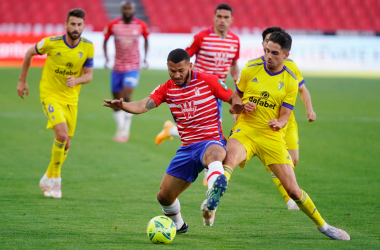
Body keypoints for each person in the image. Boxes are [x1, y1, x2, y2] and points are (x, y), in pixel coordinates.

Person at [103, 49, 253, 231]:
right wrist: (123, 105)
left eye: (181, 70)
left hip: (210, 140)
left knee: (216, 154)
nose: (176, 75)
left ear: (190, 65)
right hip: (188, 148)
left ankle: (212, 197)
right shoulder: (166, 88)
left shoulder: (208, 80)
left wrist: (237, 105)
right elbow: (143, 105)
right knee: (164, 196)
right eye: (172, 71)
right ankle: (179, 225)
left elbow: (232, 97)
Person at [223, 31, 349, 240]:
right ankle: (214, 198)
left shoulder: (290, 80)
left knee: (293, 189)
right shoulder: (251, 68)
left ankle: (324, 226)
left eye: (273, 53)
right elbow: (236, 97)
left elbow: (285, 116)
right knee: (229, 159)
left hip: (271, 136)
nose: (268, 56)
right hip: (246, 129)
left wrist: (278, 123)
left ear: (285, 55)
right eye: (266, 51)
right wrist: (240, 106)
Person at [155, 3, 240, 186]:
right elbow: (186, 56)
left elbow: (233, 63)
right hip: (201, 89)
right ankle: (211, 172)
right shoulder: (202, 37)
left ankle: (170, 130)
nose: (222, 20)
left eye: (226, 17)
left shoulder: (235, 41)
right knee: (211, 132)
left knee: (205, 129)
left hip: (219, 90)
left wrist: (236, 78)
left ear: (232, 20)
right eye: (219, 17)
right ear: (214, 18)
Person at [16, 9, 94, 199]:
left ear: (83, 26)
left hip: (71, 99)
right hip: (50, 94)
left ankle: (47, 177)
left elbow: (89, 75)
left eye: (79, 25)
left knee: (66, 144)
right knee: (61, 134)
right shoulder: (51, 43)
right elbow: (29, 53)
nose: (76, 28)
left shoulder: (88, 47)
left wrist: (76, 81)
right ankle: (56, 179)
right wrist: (22, 81)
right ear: (66, 25)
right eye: (72, 24)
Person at [239, 26, 317, 210]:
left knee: (293, 160)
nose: (269, 52)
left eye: (273, 48)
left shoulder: (290, 67)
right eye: (266, 45)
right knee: (269, 160)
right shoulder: (253, 66)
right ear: (263, 44)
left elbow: (302, 89)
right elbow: (241, 94)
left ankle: (290, 192)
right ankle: (289, 198)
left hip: (286, 121)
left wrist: (309, 109)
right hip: (260, 122)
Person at [103, 0, 149, 142]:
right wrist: (106, 59)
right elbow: (105, 40)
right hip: (117, 67)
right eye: (125, 9)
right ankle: (121, 126)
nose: (128, 11)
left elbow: (147, 40)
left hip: (133, 66)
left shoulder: (141, 25)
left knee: (127, 94)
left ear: (133, 10)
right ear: (122, 10)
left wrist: (145, 58)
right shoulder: (113, 25)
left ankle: (126, 129)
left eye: (130, 9)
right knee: (116, 99)